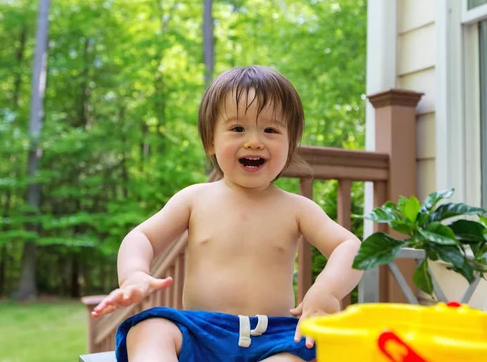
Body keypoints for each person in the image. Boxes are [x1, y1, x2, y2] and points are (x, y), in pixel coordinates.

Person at [91, 65, 363, 362]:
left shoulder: (296, 208)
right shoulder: (195, 198)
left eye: (270, 130)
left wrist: (326, 291)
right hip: (201, 332)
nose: (254, 141)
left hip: (273, 338)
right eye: (237, 129)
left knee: (309, 350)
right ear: (210, 141)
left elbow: (350, 246)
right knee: (147, 329)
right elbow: (142, 236)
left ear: (290, 143)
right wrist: (134, 275)